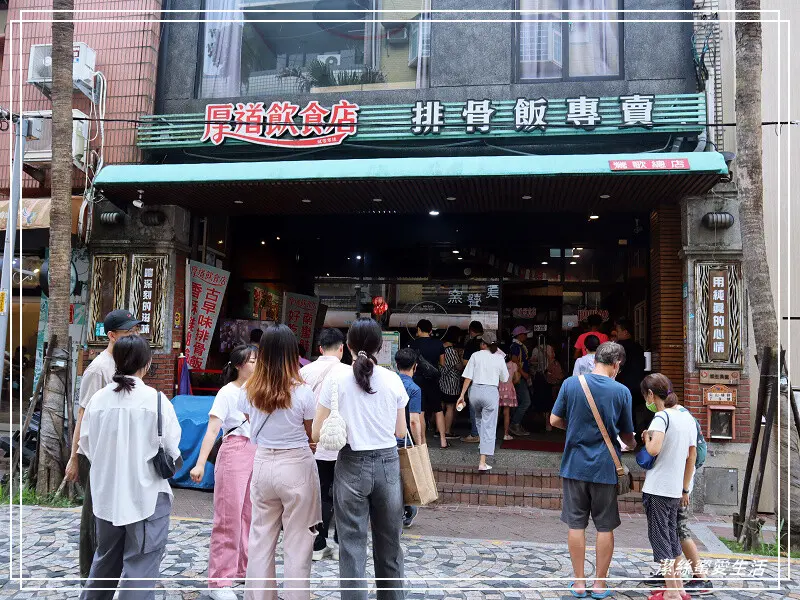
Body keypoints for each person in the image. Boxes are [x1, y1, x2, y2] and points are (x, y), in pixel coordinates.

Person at [79, 335, 181, 600]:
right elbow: (172, 449)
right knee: (141, 566)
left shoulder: (98, 400)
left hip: (106, 496)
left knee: (104, 562)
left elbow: (87, 446)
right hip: (145, 495)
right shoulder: (156, 401)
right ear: (147, 363)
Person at [313, 317, 408, 600]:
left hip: (351, 463)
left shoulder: (336, 378)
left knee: (352, 547)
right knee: (390, 545)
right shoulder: (392, 379)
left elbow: (317, 431)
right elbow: (400, 431)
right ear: (380, 346)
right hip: (388, 465)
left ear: (349, 345)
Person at [239, 324, 321, 600]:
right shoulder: (303, 392)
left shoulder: (249, 389)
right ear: (291, 354)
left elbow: (251, 423)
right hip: (296, 463)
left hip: (263, 463)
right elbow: (311, 432)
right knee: (298, 540)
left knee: (261, 537)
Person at [549, 342, 636, 599]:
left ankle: (578, 583)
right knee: (604, 526)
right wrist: (632, 445)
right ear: (616, 363)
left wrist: (574, 429)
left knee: (576, 524)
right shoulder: (621, 391)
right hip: (605, 468)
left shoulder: (570, 384)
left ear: (594, 359)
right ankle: (599, 584)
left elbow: (554, 420)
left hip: (574, 465)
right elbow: (627, 435)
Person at [65, 309, 143, 581]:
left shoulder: (125, 363)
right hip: (94, 451)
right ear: (111, 335)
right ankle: (90, 572)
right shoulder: (99, 369)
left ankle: (111, 569)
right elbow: (83, 414)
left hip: (115, 450)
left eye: (136, 331)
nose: (134, 335)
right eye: (128, 332)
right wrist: (75, 457)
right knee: (94, 514)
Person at [189, 344, 258, 600]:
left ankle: (243, 569)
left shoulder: (258, 390)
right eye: (252, 361)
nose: (257, 365)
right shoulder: (227, 393)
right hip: (234, 452)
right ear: (239, 365)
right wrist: (199, 462)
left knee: (250, 515)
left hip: (256, 452)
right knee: (228, 518)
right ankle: (219, 581)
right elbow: (212, 429)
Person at [639, 374, 697, 600]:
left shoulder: (661, 417)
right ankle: (678, 587)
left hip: (657, 488)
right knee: (672, 539)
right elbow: (691, 455)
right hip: (675, 489)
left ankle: (671, 591)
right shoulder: (686, 417)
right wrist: (684, 488)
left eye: (646, 395)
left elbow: (653, 450)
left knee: (661, 540)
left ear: (651, 395)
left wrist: (647, 437)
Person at [299, 328, 349, 562]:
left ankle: (317, 544)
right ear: (342, 348)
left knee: (317, 494)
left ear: (320, 348)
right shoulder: (349, 372)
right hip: (342, 444)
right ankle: (340, 543)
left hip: (313, 444)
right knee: (344, 495)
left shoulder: (304, 372)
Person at [456, 331, 509, 472]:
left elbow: (468, 377)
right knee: (489, 427)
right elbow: (504, 378)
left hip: (475, 392)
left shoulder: (475, 355)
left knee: (479, 420)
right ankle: (482, 461)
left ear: (482, 344)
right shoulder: (499, 358)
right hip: (490, 392)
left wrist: (462, 395)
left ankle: (482, 442)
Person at [395, 347, 424, 528]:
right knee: (406, 477)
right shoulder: (414, 389)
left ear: (396, 365)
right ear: (415, 366)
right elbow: (414, 420)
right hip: (404, 440)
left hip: (385, 438)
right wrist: (419, 443)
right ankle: (409, 509)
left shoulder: (388, 383)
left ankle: (398, 511)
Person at [410, 319, 448, 449]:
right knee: (438, 410)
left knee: (420, 411)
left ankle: (423, 441)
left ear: (419, 329)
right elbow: (442, 363)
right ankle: (443, 440)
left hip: (418, 380)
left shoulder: (413, 344)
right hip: (433, 380)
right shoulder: (438, 344)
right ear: (431, 330)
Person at [614, 318, 647, 439]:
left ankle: (623, 437)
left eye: (618, 330)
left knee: (621, 411)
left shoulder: (618, 348)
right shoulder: (638, 347)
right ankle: (633, 435)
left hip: (623, 384)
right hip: (637, 384)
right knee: (632, 411)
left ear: (626, 332)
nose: (616, 333)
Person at [460, 321, 483, 443]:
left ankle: (475, 433)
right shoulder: (491, 345)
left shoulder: (471, 343)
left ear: (471, 331)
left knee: (474, 408)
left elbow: (465, 362)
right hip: (490, 383)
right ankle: (486, 435)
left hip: (474, 380)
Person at [439, 326, 463, 439]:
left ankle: (438, 430)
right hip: (451, 383)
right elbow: (459, 367)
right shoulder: (452, 351)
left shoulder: (440, 348)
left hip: (441, 382)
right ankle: (447, 431)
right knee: (450, 407)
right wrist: (460, 357)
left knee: (441, 407)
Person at [508, 326, 532, 437]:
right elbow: (514, 360)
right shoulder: (516, 346)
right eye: (524, 334)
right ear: (520, 335)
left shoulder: (519, 346)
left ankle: (516, 423)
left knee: (518, 401)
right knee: (526, 401)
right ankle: (515, 423)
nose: (526, 336)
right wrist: (523, 373)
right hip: (519, 377)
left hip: (521, 376)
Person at [498, 352, 519, 441]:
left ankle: (492, 434)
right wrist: (510, 384)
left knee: (496, 412)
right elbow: (517, 379)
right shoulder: (514, 365)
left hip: (498, 389)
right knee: (507, 413)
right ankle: (506, 434)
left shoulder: (498, 364)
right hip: (509, 389)